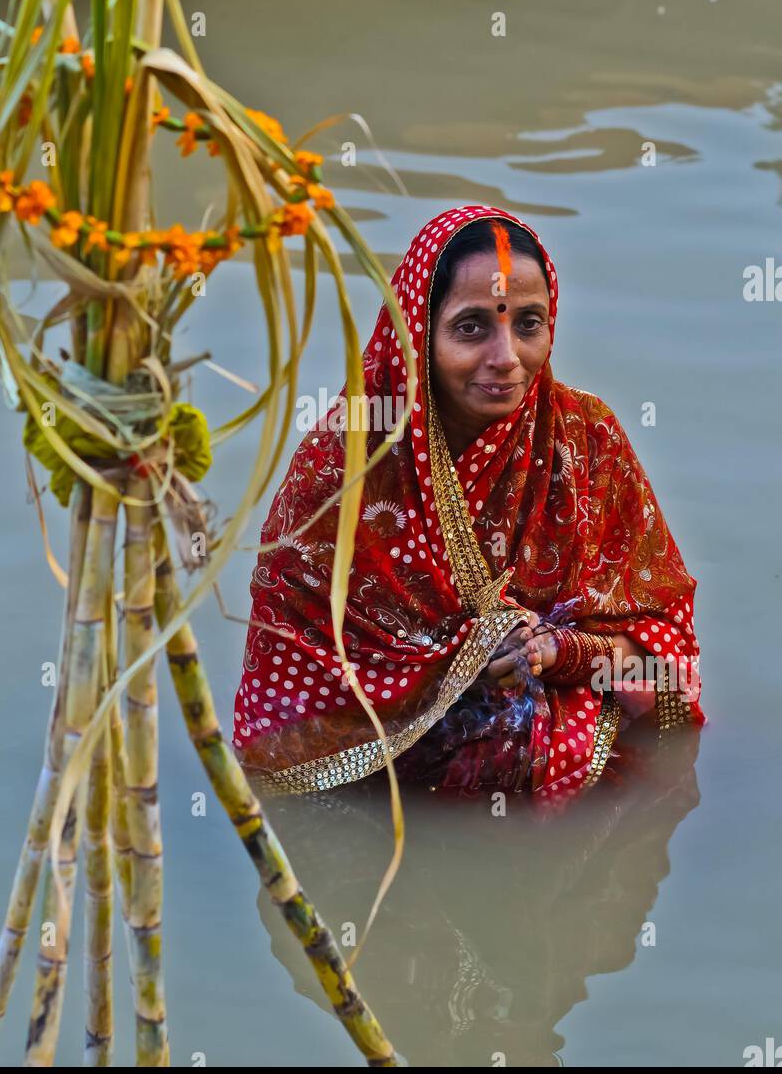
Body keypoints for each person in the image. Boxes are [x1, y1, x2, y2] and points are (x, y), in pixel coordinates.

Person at [232, 205, 704, 803]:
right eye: (472, 327)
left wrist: (561, 652)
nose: (506, 357)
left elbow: (667, 643)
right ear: (416, 336)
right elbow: (293, 692)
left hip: (573, 757)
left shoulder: (588, 438)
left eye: (528, 324)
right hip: (387, 782)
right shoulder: (344, 466)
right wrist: (466, 662)